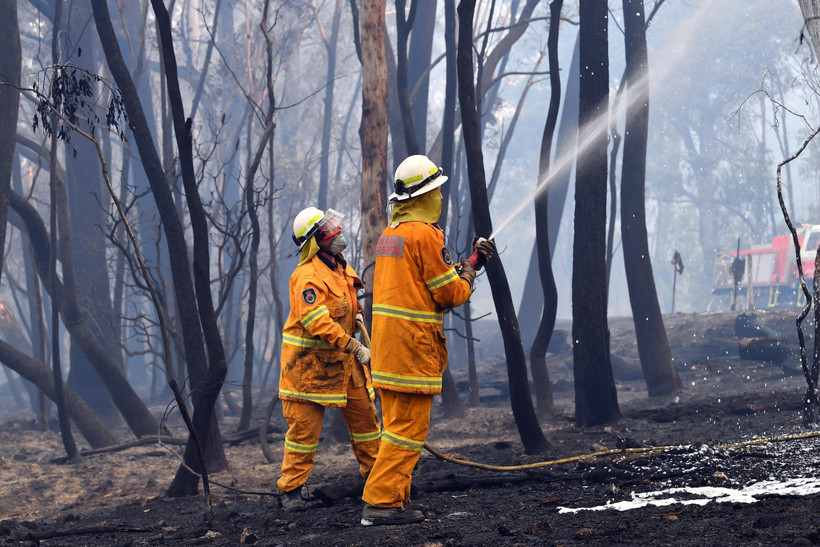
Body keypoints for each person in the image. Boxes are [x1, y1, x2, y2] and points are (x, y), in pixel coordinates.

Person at [360, 155, 495, 526]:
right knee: (407, 431)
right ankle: (381, 504)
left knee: (396, 428)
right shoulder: (425, 234)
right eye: (436, 190)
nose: (439, 196)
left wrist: (468, 264)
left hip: (387, 350)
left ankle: (396, 499)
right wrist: (469, 273)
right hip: (412, 349)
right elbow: (449, 294)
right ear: (425, 196)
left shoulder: (391, 236)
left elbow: (421, 284)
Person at [277, 207, 381, 512]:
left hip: (346, 366)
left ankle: (377, 479)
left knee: (367, 422)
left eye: (334, 227)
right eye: (328, 232)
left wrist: (356, 318)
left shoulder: (340, 267)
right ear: (315, 241)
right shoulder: (306, 277)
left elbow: (347, 304)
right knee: (303, 433)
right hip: (307, 370)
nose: (337, 233)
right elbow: (320, 324)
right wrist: (356, 346)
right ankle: (291, 492)